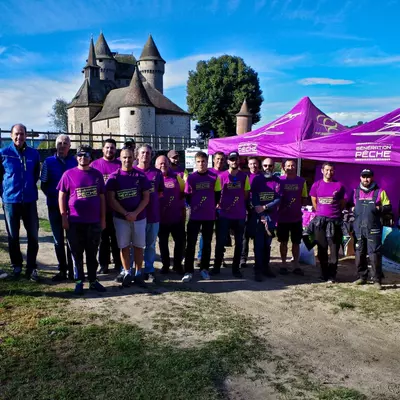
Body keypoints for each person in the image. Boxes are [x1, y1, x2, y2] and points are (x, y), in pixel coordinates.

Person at [57, 145, 106, 294]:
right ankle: (79, 281)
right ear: (76, 157)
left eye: (85, 155)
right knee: (77, 253)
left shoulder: (97, 175)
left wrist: (103, 218)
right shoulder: (68, 174)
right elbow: (62, 195)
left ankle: (93, 280)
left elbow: (102, 197)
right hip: (75, 222)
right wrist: (64, 216)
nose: (82, 158)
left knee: (92, 253)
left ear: (91, 158)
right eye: (79, 155)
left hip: (93, 222)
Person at [0, 124, 40, 280]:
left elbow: (35, 173)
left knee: (33, 236)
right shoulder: (4, 154)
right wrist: (4, 195)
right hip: (11, 200)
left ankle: (31, 268)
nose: (19, 137)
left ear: (26, 136)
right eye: (16, 134)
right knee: (13, 236)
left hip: (29, 200)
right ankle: (16, 266)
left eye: (22, 134)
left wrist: (29, 187)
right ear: (11, 136)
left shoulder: (34, 154)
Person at [106, 147, 151, 287]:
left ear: (134, 158)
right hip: (121, 218)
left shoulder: (141, 176)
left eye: (130, 157)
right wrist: (125, 213)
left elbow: (146, 198)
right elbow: (111, 199)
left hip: (139, 217)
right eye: (124, 157)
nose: (127, 160)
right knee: (124, 246)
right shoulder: (114, 177)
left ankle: (138, 273)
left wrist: (135, 213)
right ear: (120, 158)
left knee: (138, 246)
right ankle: (126, 272)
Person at [41, 134, 77, 281]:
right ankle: (62, 269)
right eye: (59, 143)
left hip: (72, 209)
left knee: (71, 240)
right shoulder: (48, 162)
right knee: (58, 240)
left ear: (69, 146)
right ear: (56, 145)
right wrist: (53, 196)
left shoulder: (75, 162)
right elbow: (43, 184)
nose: (62, 146)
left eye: (65, 143)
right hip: (54, 206)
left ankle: (72, 270)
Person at [182, 151, 221, 282]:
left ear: (207, 162)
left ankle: (204, 269)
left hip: (209, 216)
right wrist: (192, 207)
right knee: (191, 244)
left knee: (207, 244)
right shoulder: (191, 178)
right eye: (198, 162)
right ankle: (188, 271)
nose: (201, 164)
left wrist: (210, 206)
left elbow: (217, 195)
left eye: (203, 161)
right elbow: (186, 196)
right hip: (194, 216)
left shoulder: (214, 177)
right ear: (195, 163)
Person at [211, 151, 250, 278]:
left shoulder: (244, 177)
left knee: (239, 243)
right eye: (231, 159)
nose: (234, 161)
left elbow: (245, 194)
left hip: (239, 215)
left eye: (236, 159)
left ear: (238, 161)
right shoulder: (221, 177)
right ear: (228, 161)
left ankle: (236, 269)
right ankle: (216, 267)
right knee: (220, 241)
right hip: (224, 215)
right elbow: (217, 194)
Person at [353, 169, 391, 290]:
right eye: (363, 177)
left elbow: (388, 206)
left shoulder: (380, 192)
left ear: (372, 178)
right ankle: (362, 277)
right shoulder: (355, 192)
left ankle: (376, 280)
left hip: (373, 228)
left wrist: (379, 209)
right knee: (359, 254)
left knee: (374, 254)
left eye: (368, 177)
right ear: (360, 178)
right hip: (359, 228)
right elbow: (349, 206)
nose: (366, 179)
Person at [309, 162, 346, 283]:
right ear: (322, 171)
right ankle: (323, 273)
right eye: (327, 170)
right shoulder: (316, 185)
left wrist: (334, 214)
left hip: (335, 221)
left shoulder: (339, 185)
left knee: (334, 249)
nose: (329, 172)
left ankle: (332, 275)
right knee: (322, 248)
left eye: (331, 170)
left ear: (334, 171)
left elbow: (342, 202)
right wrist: (321, 212)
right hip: (320, 221)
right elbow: (314, 201)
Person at [91, 139, 122, 274]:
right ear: (103, 149)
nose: (110, 150)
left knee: (117, 238)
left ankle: (119, 263)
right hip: (100, 209)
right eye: (107, 148)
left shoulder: (120, 165)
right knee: (103, 239)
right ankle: (103, 264)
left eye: (112, 148)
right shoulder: (95, 165)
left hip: (117, 208)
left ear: (116, 150)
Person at [135, 144, 164, 282]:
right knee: (135, 244)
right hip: (136, 216)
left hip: (153, 215)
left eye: (148, 153)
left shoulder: (157, 173)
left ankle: (149, 269)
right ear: (137, 155)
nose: (145, 155)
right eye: (142, 153)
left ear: (151, 156)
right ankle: (136, 270)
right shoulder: (132, 171)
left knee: (151, 244)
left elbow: (159, 192)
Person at [251, 157, 282, 282]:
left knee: (267, 244)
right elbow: (254, 197)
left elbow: (278, 198)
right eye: (265, 166)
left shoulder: (277, 181)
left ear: (273, 167)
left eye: (270, 166)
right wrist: (260, 212)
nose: (267, 168)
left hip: (271, 217)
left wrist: (266, 207)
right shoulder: (257, 180)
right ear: (261, 167)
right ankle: (257, 269)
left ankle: (266, 267)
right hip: (258, 217)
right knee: (258, 244)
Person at [277, 159, 308, 275]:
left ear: (296, 167)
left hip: (296, 218)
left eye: (293, 165)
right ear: (284, 167)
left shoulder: (301, 181)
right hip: (282, 217)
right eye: (288, 166)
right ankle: (283, 264)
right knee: (283, 242)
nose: (290, 168)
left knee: (296, 242)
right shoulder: (279, 181)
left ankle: (296, 264)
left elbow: (304, 198)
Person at [155, 155, 185, 274]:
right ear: (156, 166)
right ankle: (166, 265)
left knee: (180, 242)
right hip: (161, 218)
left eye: (165, 163)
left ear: (169, 164)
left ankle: (177, 264)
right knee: (163, 243)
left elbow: (183, 194)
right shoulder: (154, 179)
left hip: (176, 217)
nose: (163, 165)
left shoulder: (177, 177)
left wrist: (183, 213)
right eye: (160, 163)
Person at [198, 151, 228, 267]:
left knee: (221, 235)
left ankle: (220, 257)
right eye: (218, 159)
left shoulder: (227, 173)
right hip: (208, 208)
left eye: (222, 159)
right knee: (205, 235)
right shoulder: (208, 172)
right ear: (213, 160)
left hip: (222, 208)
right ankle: (201, 257)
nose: (220, 161)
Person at [240, 157, 261, 268]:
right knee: (244, 235)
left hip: (259, 208)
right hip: (246, 208)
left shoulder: (263, 177)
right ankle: (243, 259)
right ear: (248, 165)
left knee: (258, 235)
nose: (253, 166)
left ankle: (258, 259)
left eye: (255, 164)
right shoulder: (244, 177)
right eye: (251, 164)